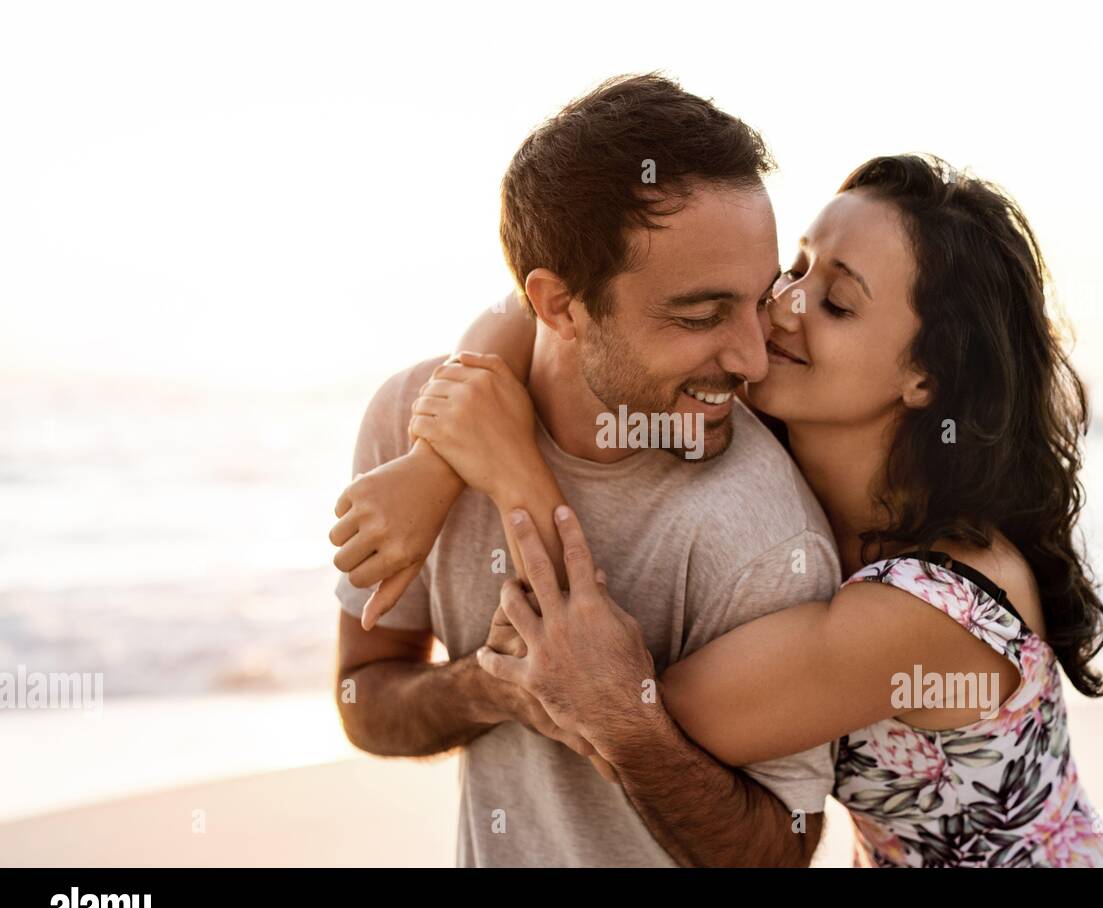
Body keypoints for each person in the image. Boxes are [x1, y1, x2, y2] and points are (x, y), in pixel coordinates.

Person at [357, 154, 1103, 867]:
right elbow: (543, 310)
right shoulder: (790, 440)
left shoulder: (932, 608)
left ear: (925, 377)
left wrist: (519, 475)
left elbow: (613, 697)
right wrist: (433, 461)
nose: (784, 307)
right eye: (793, 270)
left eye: (835, 301)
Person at [330, 73, 841, 867]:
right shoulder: (413, 422)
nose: (750, 358)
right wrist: (493, 687)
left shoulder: (768, 532)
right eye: (701, 315)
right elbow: (364, 697)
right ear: (559, 305)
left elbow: (784, 848)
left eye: (760, 300)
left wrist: (625, 723)